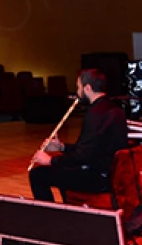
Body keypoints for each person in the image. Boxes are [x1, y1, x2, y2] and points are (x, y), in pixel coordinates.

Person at [28, 69, 129, 203]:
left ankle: (51, 220)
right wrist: (62, 147)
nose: (77, 92)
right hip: (108, 172)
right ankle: (69, 207)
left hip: (97, 177)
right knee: (62, 169)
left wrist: (50, 161)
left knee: (37, 175)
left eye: (78, 88)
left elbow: (84, 156)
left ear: (88, 88)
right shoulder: (113, 109)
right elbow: (92, 148)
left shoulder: (95, 114)